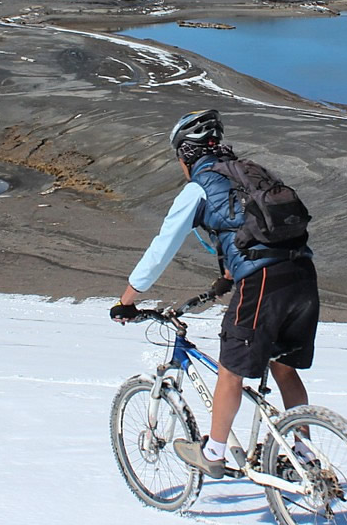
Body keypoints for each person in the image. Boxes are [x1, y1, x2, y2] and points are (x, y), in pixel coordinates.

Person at [111, 109, 320, 478]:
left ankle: (213, 453)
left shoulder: (199, 187)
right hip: (303, 274)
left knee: (230, 369)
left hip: (263, 282)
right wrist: (227, 277)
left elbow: (162, 248)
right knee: (283, 366)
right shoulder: (251, 173)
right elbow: (249, 228)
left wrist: (127, 300)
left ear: (185, 155)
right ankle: (301, 452)